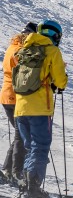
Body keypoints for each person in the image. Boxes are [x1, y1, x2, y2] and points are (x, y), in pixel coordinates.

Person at [13, 19, 68, 198]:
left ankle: (27, 186)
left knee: (30, 146)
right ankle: (33, 188)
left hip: (20, 107)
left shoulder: (24, 49)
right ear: (56, 36)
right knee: (40, 146)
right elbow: (61, 81)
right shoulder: (52, 51)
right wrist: (58, 80)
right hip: (39, 108)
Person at [1, 23, 35, 187]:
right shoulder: (21, 49)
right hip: (16, 96)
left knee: (20, 135)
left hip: (8, 96)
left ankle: (9, 170)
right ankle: (14, 172)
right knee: (22, 135)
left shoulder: (13, 46)